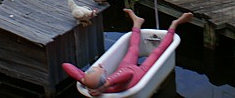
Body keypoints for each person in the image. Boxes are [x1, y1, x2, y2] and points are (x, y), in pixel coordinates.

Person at [62, 9, 193, 96]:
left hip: (124, 68)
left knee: (133, 48)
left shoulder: (96, 85)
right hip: (138, 73)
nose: (100, 65)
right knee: (157, 52)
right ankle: (175, 24)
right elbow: (128, 73)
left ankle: (137, 22)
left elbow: (66, 65)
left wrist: (83, 78)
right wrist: (105, 84)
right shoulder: (110, 86)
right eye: (99, 69)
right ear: (104, 79)